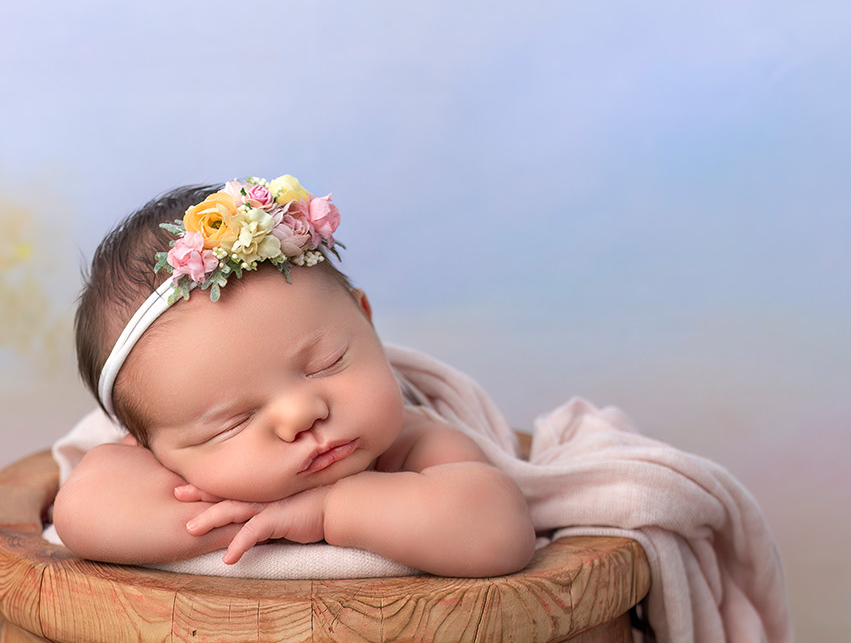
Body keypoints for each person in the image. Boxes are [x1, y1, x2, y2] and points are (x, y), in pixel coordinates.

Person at [50, 178, 536, 577]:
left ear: (366, 321)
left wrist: (329, 511)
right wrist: (245, 519)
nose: (302, 414)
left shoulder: (410, 444)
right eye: (232, 422)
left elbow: (499, 530)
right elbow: (79, 510)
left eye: (325, 364)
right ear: (144, 445)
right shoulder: (170, 470)